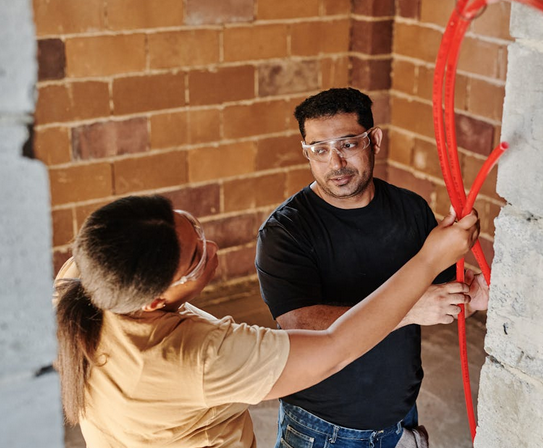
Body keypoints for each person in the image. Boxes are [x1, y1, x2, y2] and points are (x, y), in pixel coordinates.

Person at [54, 194, 480, 448]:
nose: (212, 245)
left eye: (194, 226)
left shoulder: (81, 279)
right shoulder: (199, 358)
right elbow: (334, 349)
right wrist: (428, 262)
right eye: (196, 257)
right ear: (153, 301)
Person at [255, 87, 490, 448]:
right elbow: (301, 325)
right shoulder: (284, 231)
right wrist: (411, 309)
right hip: (323, 429)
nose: (335, 163)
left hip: (400, 416)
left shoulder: (411, 210)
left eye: (348, 144)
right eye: (319, 150)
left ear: (374, 140)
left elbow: (442, 300)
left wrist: (473, 297)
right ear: (306, 153)